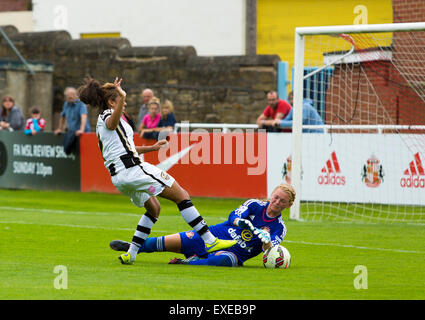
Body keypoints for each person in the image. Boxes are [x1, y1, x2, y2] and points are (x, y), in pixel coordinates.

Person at [78, 77, 236, 265]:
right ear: (112, 102)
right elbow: (112, 122)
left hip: (120, 178)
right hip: (133, 170)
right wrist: (122, 95)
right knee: (182, 195)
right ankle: (210, 241)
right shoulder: (108, 116)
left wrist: (151, 148)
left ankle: (131, 253)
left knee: (154, 209)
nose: (125, 102)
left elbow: (126, 147)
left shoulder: (105, 121)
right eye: (121, 99)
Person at [110, 183, 296, 267]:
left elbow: (269, 249)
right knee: (162, 243)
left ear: (289, 205)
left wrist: (267, 242)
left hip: (232, 253)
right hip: (212, 236)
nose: (277, 202)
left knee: (223, 261)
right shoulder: (255, 204)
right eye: (276, 197)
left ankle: (190, 262)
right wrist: (242, 222)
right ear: (272, 195)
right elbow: (233, 216)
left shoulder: (280, 227)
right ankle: (132, 247)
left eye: (282, 201)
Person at [55, 87, 91, 154]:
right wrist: (59, 129)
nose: (71, 96)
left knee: (82, 155)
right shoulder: (66, 104)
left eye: (72, 94)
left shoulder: (81, 103)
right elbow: (62, 117)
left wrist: (81, 130)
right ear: (66, 97)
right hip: (72, 134)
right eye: (68, 96)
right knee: (68, 151)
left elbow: (83, 116)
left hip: (83, 134)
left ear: (76, 94)